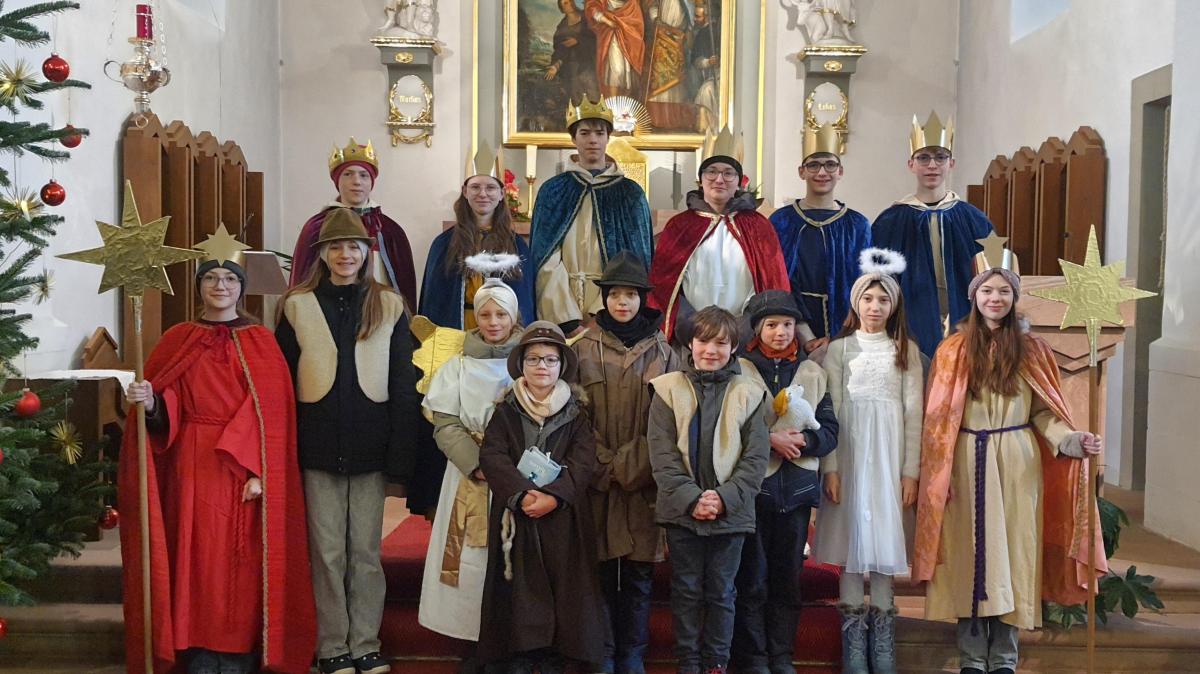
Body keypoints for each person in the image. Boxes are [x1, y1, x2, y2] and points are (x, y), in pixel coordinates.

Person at [120, 240, 316, 674]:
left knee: (238, 566)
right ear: (199, 286)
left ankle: (237, 651)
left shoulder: (261, 341)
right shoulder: (178, 339)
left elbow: (272, 413)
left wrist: (258, 469)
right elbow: (167, 403)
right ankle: (198, 651)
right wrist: (150, 403)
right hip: (190, 467)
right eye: (210, 277)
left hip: (239, 470)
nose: (220, 285)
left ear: (241, 287)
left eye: (229, 278)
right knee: (195, 562)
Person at [913, 259, 1106, 674]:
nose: (995, 298)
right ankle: (971, 657)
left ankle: (1004, 657)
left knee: (1014, 554)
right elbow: (937, 418)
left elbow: (1045, 413)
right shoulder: (952, 350)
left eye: (1003, 291)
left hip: (1017, 461)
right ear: (974, 297)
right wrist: (937, 473)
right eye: (987, 291)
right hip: (966, 459)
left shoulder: (1033, 350)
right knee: (969, 557)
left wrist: (1072, 440)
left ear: (1014, 298)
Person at [275, 208, 421, 674]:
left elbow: (404, 382)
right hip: (316, 446)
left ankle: (365, 642)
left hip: (371, 446)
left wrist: (400, 456)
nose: (345, 254)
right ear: (322, 254)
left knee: (365, 553)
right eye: (335, 247)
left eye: (353, 246)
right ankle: (331, 644)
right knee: (326, 552)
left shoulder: (389, 304)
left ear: (366, 252)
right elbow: (281, 384)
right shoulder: (297, 304)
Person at [811, 249, 923, 674]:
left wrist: (910, 472)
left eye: (883, 300)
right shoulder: (839, 350)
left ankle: (884, 649)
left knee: (882, 544)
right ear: (856, 303)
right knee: (851, 543)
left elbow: (914, 417)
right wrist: (831, 468)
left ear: (894, 306)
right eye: (868, 299)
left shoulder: (906, 350)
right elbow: (831, 413)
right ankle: (855, 651)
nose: (875, 307)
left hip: (889, 461)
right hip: (852, 458)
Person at [476, 322, 609, 673]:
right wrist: (520, 494)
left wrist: (554, 496)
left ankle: (558, 651)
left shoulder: (576, 413)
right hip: (518, 512)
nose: (542, 367)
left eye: (550, 359)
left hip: (563, 515)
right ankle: (521, 651)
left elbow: (583, 461)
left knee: (564, 584)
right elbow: (493, 455)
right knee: (518, 586)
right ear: (521, 364)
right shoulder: (505, 410)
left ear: (561, 365)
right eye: (533, 359)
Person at [572, 251, 680, 674]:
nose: (622, 302)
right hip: (596, 480)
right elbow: (573, 416)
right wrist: (602, 463)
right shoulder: (582, 349)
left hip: (643, 483)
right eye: (615, 294)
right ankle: (603, 653)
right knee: (598, 572)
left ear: (642, 299)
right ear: (604, 298)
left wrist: (632, 465)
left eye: (630, 295)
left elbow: (670, 419)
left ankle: (632, 655)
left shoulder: (664, 353)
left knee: (638, 574)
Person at [648, 306, 771, 674]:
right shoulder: (667, 389)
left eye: (721, 343)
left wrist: (723, 498)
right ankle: (688, 663)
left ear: (734, 347)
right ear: (690, 343)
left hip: (730, 513)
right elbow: (662, 454)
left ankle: (717, 663)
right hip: (681, 512)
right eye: (703, 341)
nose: (711, 350)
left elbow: (756, 458)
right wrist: (692, 498)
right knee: (686, 591)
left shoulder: (750, 392)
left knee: (722, 592)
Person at [418, 279, 524, 674]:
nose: (493, 322)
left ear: (514, 317)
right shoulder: (458, 365)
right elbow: (445, 423)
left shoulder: (529, 361)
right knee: (471, 558)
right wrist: (476, 464)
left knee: (515, 554)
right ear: (475, 318)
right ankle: (476, 643)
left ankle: (515, 642)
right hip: (471, 475)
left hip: (517, 472)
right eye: (485, 314)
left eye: (501, 314)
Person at [730, 290, 839, 674]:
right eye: (772, 325)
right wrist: (769, 440)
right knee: (753, 579)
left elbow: (829, 430)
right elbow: (728, 428)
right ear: (757, 329)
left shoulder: (812, 372)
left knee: (787, 581)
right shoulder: (739, 370)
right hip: (753, 492)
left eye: (788, 324)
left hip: (795, 493)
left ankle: (781, 656)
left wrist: (805, 441)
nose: (781, 332)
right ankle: (754, 657)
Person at [871, 113, 993, 360]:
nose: (932, 165)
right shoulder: (890, 222)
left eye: (940, 157)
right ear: (911, 164)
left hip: (967, 329)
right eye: (924, 157)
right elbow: (876, 281)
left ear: (951, 163)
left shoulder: (973, 220)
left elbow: (992, 278)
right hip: (907, 330)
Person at [530, 96, 653, 337]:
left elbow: (636, 260)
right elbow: (545, 259)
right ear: (573, 139)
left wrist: (602, 315)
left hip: (612, 310)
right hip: (560, 307)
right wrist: (566, 319)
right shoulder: (553, 191)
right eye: (584, 133)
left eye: (599, 133)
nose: (593, 140)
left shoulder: (630, 193)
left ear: (608, 137)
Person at [648, 142, 790, 345]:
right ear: (700, 180)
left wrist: (745, 327)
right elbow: (664, 286)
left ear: (739, 182)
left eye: (728, 173)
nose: (719, 179)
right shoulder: (680, 226)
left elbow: (773, 282)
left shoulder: (758, 226)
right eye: (712, 172)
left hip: (746, 333)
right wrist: (692, 325)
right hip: (692, 332)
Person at [770, 124, 872, 352]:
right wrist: (803, 332)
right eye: (813, 165)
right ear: (802, 171)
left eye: (830, 164)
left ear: (840, 171)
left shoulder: (857, 224)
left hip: (845, 328)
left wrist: (844, 334)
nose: (822, 172)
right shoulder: (782, 221)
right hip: (790, 325)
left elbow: (864, 284)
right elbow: (776, 278)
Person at [290, 138, 418, 311]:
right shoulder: (317, 227)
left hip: (380, 310)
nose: (356, 181)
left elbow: (403, 285)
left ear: (371, 181)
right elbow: (303, 280)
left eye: (364, 175)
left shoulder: (389, 229)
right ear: (337, 181)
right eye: (348, 174)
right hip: (329, 310)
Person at [419, 153, 536, 330]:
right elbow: (434, 302)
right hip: (458, 330)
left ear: (501, 193)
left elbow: (524, 301)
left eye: (490, 187)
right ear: (465, 191)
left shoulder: (516, 246)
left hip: (500, 332)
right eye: (475, 187)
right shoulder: (444, 244)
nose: (483, 194)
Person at [584, 0, 645, 97]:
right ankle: (613, 102)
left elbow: (635, 16)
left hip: (627, 35)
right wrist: (607, 21)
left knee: (626, 75)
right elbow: (592, 9)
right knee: (616, 70)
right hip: (611, 34)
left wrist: (625, 23)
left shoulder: (632, 3)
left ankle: (622, 103)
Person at [545, 0, 599, 105]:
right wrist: (555, 65)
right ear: (562, 9)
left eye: (569, 1)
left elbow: (596, 37)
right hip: (571, 68)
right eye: (564, 4)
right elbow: (559, 49)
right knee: (577, 99)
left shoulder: (586, 17)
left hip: (589, 64)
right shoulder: (562, 27)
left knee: (593, 96)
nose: (568, 4)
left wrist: (578, 40)